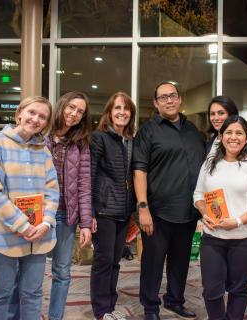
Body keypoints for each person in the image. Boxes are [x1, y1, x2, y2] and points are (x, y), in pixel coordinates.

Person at [132, 81, 206, 320]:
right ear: (156, 103)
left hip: (187, 211)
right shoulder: (148, 131)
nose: (169, 100)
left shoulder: (192, 129)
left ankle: (175, 300)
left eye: (172, 96)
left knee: (180, 262)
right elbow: (139, 170)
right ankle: (150, 308)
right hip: (157, 211)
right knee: (152, 264)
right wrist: (142, 207)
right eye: (163, 98)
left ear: (179, 99)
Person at [0, 96, 59, 319]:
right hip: (2, 237)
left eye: (42, 117)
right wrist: (23, 226)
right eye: (32, 112)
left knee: (33, 294)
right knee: (1, 294)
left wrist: (46, 223)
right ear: (20, 113)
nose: (36, 119)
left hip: (38, 237)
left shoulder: (43, 151)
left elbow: (52, 191)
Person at [193, 115, 247, 320]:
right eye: (229, 132)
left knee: (238, 289)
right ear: (221, 136)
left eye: (239, 133)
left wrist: (236, 222)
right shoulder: (210, 163)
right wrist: (204, 213)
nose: (233, 137)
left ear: (246, 138)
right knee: (211, 290)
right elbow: (198, 194)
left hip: (246, 238)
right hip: (213, 237)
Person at [45, 91, 93, 320]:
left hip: (65, 215)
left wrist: (85, 223)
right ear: (62, 105)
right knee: (26, 272)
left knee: (62, 271)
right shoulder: (41, 134)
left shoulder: (80, 144)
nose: (74, 114)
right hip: (37, 215)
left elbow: (84, 186)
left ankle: (56, 316)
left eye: (80, 111)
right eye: (71, 107)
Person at [90, 92, 137, 320]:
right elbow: (89, 174)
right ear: (109, 112)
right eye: (117, 108)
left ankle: (110, 306)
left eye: (126, 109)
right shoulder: (99, 138)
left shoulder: (130, 140)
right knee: (103, 261)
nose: (122, 112)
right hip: (104, 209)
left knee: (115, 262)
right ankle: (101, 310)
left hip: (123, 210)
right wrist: (89, 212)